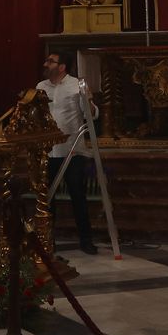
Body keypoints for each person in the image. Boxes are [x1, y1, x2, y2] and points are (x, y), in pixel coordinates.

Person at [39, 51, 97, 256]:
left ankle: (86, 240)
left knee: (78, 196)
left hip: (72, 150)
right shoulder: (41, 87)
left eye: (50, 61)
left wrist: (88, 100)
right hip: (48, 151)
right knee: (47, 199)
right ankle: (47, 241)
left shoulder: (76, 85)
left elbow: (90, 114)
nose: (46, 64)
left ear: (62, 67)